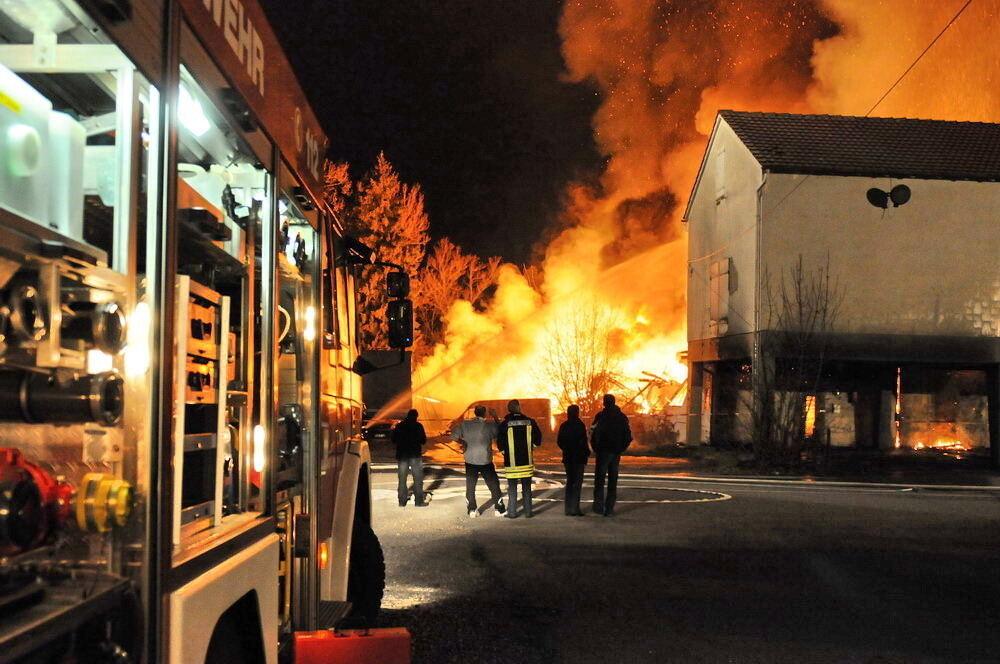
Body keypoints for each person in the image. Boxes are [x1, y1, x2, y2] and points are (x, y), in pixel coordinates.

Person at [451, 405, 506, 518]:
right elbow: (501, 430)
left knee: (470, 486)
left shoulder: (465, 424)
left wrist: (463, 442)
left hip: (470, 460)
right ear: (484, 413)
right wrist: (495, 416)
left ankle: (472, 510)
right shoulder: (489, 425)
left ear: (474, 413)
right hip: (485, 460)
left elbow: (453, 436)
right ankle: (499, 509)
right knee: (494, 485)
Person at [497, 399, 542, 518]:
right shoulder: (530, 422)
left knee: (512, 489)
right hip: (526, 461)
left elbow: (500, 442)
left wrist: (504, 452)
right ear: (519, 408)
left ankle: (512, 512)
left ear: (509, 409)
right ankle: (528, 512)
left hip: (512, 463)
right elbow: (538, 439)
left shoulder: (505, 424)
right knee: (527, 488)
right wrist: (531, 446)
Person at [590, 394, 632, 517]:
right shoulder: (622, 417)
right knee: (613, 481)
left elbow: (592, 433)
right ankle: (609, 508)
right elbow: (628, 436)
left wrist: (595, 448)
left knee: (599, 480)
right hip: (615, 453)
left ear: (604, 403)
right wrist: (621, 448)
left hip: (603, 452)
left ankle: (598, 507)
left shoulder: (600, 417)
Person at [557, 404, 589, 516]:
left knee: (570, 482)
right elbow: (584, 442)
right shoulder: (580, 425)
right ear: (577, 413)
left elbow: (559, 441)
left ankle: (568, 508)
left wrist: (566, 449)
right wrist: (586, 453)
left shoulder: (564, 426)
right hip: (579, 458)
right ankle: (575, 508)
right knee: (577, 483)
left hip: (568, 458)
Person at [391, 409, 428, 507]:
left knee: (402, 479)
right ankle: (419, 501)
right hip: (415, 455)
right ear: (416, 416)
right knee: (418, 479)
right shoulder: (418, 426)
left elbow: (394, 440)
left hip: (402, 455)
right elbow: (423, 440)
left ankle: (402, 501)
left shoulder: (399, 426)